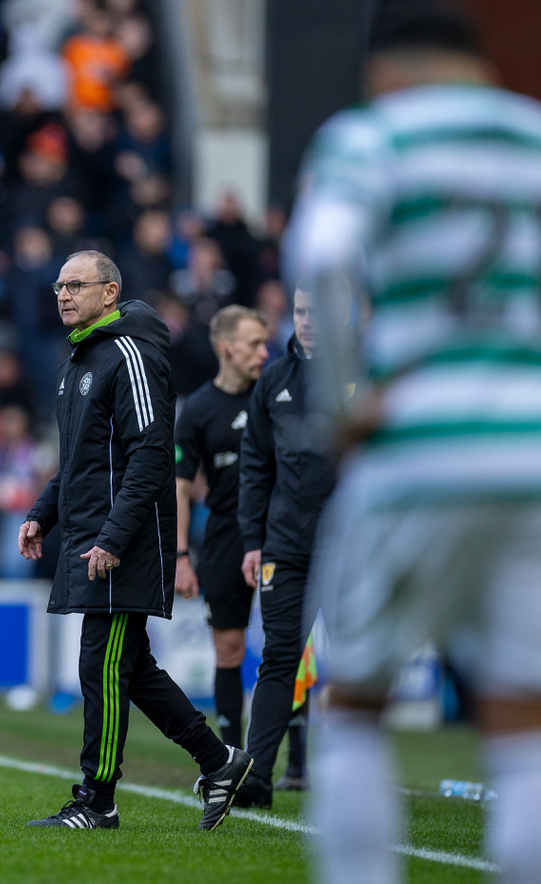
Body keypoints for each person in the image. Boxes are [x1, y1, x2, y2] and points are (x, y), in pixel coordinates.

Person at [285, 4, 541, 882]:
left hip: (422, 446)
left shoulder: (373, 136)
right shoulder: (531, 136)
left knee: (353, 700)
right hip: (532, 452)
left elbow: (322, 254)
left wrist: (344, 404)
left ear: (386, 69)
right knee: (523, 720)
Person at [18, 250, 252, 831]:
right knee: (131, 666)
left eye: (77, 284)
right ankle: (219, 760)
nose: (64, 294)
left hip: (123, 543)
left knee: (100, 665)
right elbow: (76, 463)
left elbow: (152, 455)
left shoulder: (130, 355)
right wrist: (41, 516)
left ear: (110, 293)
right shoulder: (80, 360)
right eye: (59, 285)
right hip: (91, 536)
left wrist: (116, 537)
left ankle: (98, 800)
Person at [234, 284, 334, 808]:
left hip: (349, 548)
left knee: (359, 665)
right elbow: (256, 468)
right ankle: (256, 779)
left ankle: (347, 783)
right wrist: (254, 540)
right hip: (286, 545)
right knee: (278, 659)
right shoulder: (272, 380)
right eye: (300, 310)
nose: (308, 320)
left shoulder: (367, 370)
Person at [174, 306, 268, 750]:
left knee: (287, 652)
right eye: (254, 344)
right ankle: (232, 756)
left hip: (278, 534)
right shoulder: (196, 409)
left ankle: (296, 762)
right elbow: (179, 485)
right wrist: (180, 557)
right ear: (226, 349)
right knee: (229, 648)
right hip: (225, 537)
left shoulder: (274, 395)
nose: (264, 353)